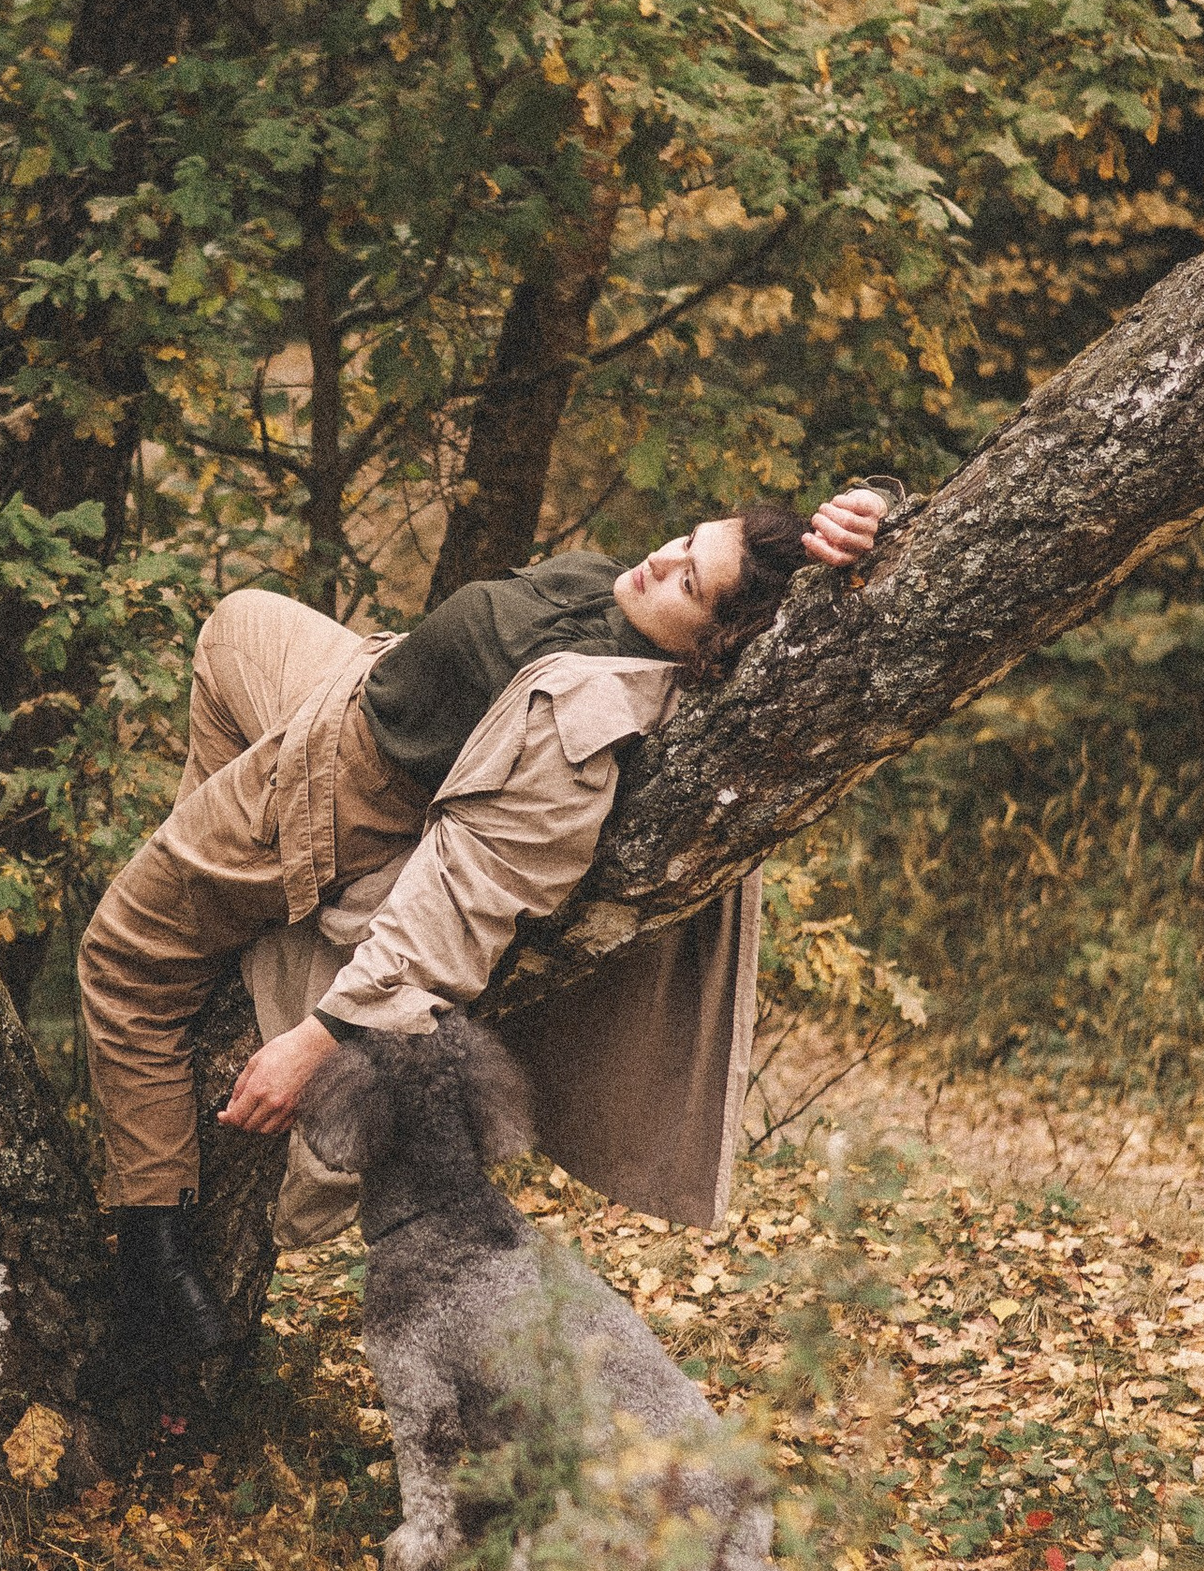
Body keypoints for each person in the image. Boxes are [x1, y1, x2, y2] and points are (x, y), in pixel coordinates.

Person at [78, 487, 893, 1373]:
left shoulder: (579, 721)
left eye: (687, 582)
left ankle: (151, 1265)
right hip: (355, 682)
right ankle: (220, 910)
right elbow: (848, 554)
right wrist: (870, 509)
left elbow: (466, 897)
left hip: (335, 786)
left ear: (713, 649)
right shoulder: (626, 596)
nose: (659, 559)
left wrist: (318, 1040)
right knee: (237, 626)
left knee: (123, 958)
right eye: (683, 541)